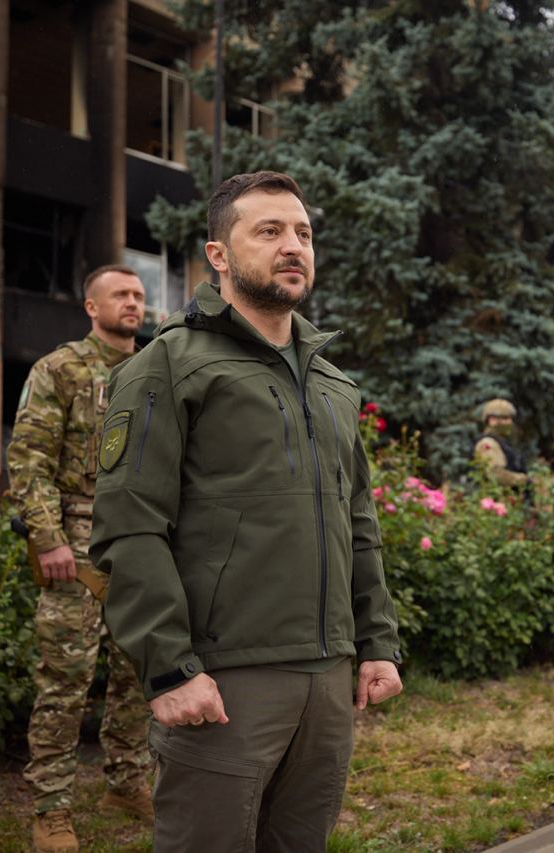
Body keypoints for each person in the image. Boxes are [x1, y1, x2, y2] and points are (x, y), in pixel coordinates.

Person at [89, 171, 403, 852]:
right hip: (223, 680)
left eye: (304, 233)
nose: (294, 246)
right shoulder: (168, 365)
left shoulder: (332, 383)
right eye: (269, 231)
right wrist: (169, 667)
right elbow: (129, 526)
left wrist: (376, 642)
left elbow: (358, 524)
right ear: (220, 255)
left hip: (327, 681)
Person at [6, 265, 152, 852]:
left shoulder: (154, 372)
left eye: (139, 295)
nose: (133, 303)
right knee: (66, 679)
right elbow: (29, 458)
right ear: (92, 306)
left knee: (139, 672)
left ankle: (127, 783)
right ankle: (51, 808)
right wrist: (48, 538)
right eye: (121, 295)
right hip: (77, 544)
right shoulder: (60, 369)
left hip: (142, 542)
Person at [473, 398, 530, 488]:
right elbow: (495, 474)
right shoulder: (488, 443)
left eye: (510, 418)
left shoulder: (502, 443)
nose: (510, 422)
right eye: (505, 418)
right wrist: (523, 480)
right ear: (492, 420)